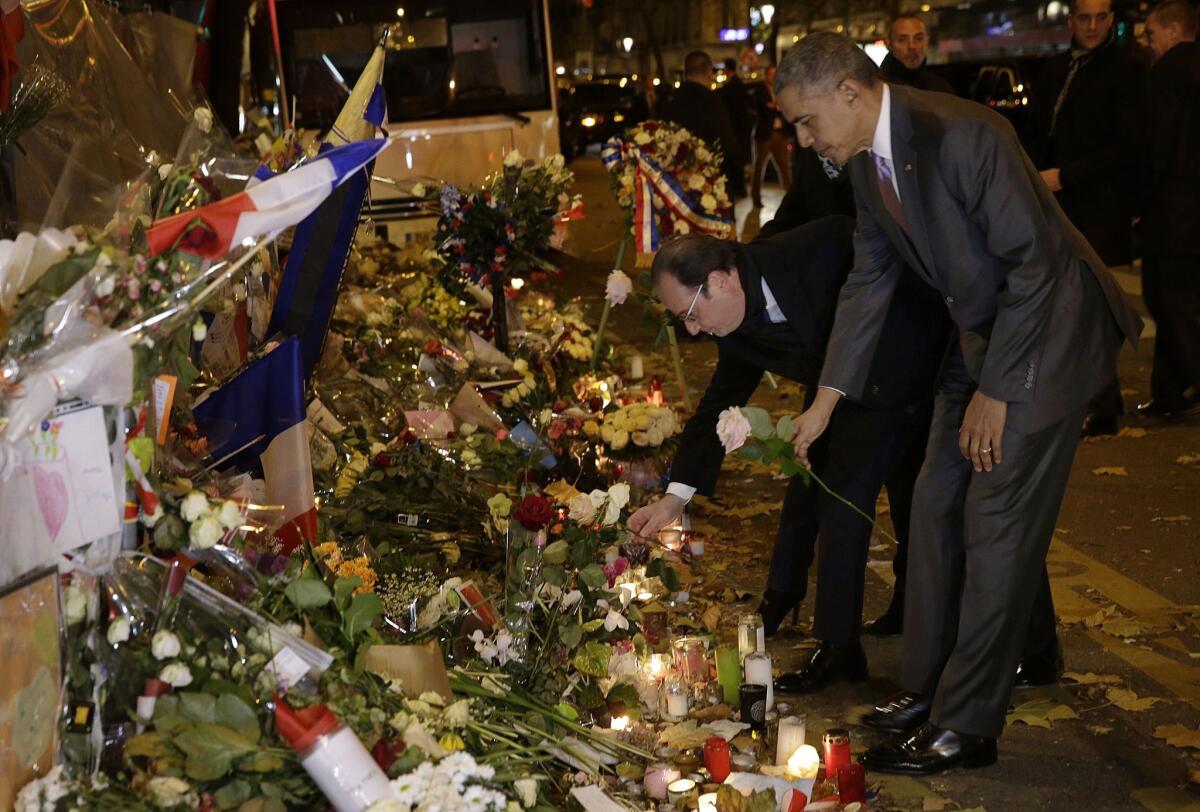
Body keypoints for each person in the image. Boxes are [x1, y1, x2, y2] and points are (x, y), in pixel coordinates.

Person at [775, 32, 1141, 774]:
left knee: (992, 519)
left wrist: (999, 392)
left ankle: (967, 726)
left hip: (1046, 337)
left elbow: (1035, 268)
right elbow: (869, 281)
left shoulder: (966, 134)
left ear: (849, 91)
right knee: (933, 505)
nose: (802, 138)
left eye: (806, 120)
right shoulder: (865, 162)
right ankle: (943, 686)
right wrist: (826, 401)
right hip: (980, 336)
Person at [626, 216, 951, 692]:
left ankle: (1008, 645)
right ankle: (842, 647)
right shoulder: (732, 323)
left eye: (691, 314)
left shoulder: (812, 253)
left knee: (914, 503)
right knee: (839, 496)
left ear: (719, 279)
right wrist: (674, 500)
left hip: (914, 358)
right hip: (842, 395)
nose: (693, 331)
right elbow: (718, 401)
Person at [1025, 0, 1146, 437]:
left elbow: (1127, 146)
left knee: (1088, 308)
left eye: (1100, 17)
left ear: (1111, 20)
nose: (1092, 26)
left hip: (1096, 203)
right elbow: (1038, 127)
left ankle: (1102, 405)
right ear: (1072, 20)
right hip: (1055, 201)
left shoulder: (1127, 69)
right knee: (1067, 308)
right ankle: (1091, 402)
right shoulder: (1055, 68)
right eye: (1084, 17)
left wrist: (1066, 175)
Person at [1137, 0, 1200, 420]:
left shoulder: (1166, 75)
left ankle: (1176, 388)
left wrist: (1139, 203)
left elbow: (1155, 146)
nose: (1148, 42)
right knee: (1180, 302)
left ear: (1174, 30)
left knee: (1168, 302)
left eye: (1152, 34)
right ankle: (1168, 393)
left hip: (1174, 210)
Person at [664, 52, 740, 198]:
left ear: (685, 73)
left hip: (677, 190)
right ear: (709, 72)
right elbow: (727, 144)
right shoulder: (713, 102)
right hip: (709, 186)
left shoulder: (671, 102)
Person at [751, 65, 794, 207]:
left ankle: (792, 199)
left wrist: (775, 105)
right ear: (766, 75)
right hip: (765, 134)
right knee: (759, 168)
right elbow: (764, 109)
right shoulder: (760, 90)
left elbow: (787, 108)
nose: (773, 77)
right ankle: (756, 198)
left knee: (784, 168)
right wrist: (776, 106)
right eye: (771, 74)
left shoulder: (780, 89)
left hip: (779, 134)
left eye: (775, 75)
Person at [881, 16, 954, 94]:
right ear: (889, 44)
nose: (912, 46)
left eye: (918, 38)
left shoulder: (940, 89)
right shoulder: (879, 88)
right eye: (901, 40)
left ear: (927, 42)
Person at [718, 58, 753, 200]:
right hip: (739, 128)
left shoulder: (733, 85)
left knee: (737, 161)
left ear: (727, 69)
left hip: (736, 129)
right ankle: (740, 188)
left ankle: (740, 189)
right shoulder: (736, 83)